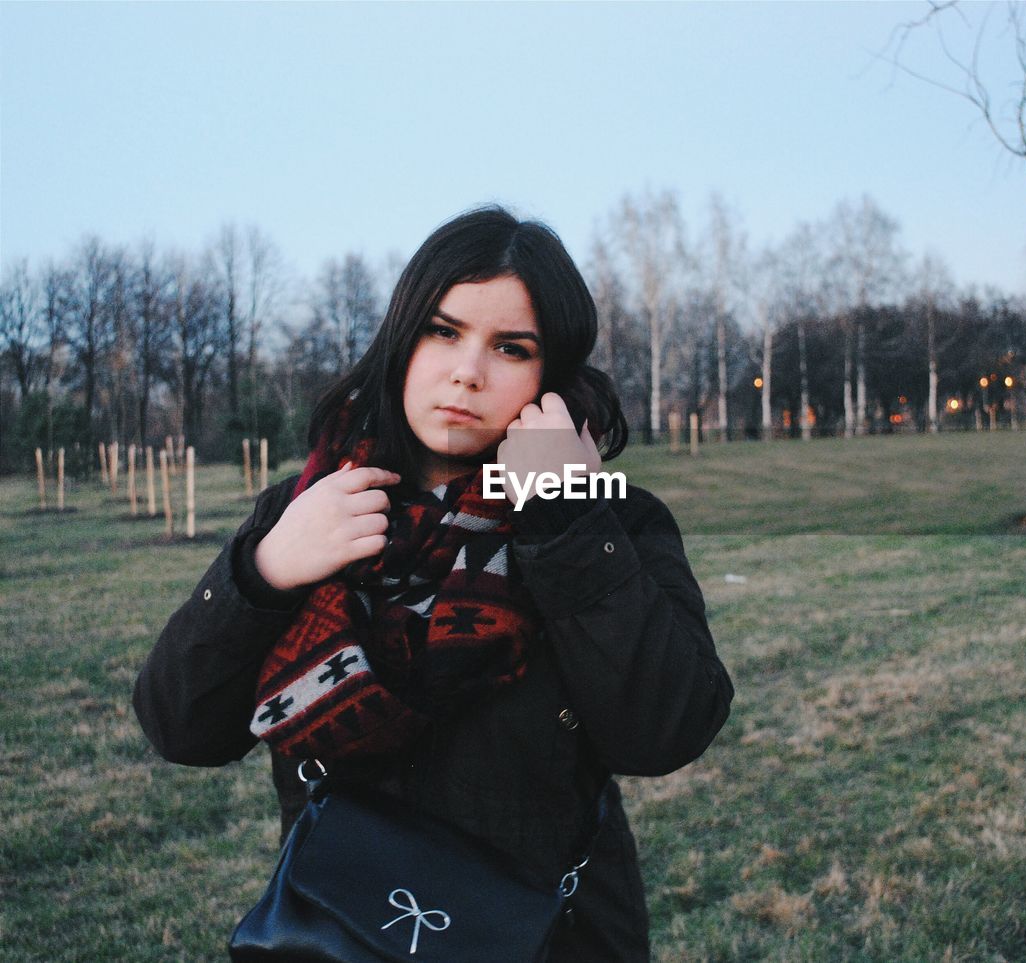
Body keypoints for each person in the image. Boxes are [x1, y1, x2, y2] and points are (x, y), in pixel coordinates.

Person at [133, 206, 733, 960]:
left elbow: (665, 729)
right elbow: (178, 725)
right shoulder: (312, 505)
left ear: (551, 377)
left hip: (551, 938)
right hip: (342, 929)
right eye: (442, 330)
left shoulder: (614, 523)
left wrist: (563, 518)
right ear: (401, 337)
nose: (467, 371)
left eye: (511, 347)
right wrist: (265, 571)